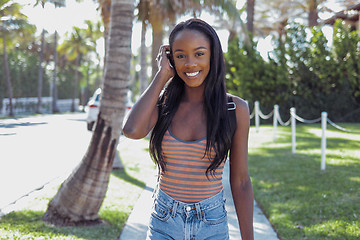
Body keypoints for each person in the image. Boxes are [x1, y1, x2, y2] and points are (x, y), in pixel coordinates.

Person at [123, 18, 254, 240]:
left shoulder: (234, 109)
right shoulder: (163, 104)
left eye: (199, 53)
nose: (190, 63)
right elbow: (132, 130)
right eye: (180, 55)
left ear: (213, 54)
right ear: (170, 59)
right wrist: (161, 76)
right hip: (164, 221)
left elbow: (241, 181)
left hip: (211, 223)